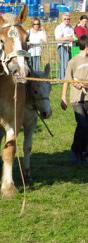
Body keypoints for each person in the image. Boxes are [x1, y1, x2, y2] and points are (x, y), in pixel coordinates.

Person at [61, 34, 88, 164]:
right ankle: (75, 151)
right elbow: (67, 80)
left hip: (87, 97)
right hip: (76, 99)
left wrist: (84, 83)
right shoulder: (73, 61)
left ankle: (83, 153)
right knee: (83, 124)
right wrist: (63, 98)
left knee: (86, 127)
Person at [55, 12, 75, 79]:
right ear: (62, 19)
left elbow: (73, 36)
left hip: (69, 47)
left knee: (67, 63)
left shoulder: (70, 27)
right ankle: (62, 78)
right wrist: (67, 38)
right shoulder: (59, 27)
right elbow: (57, 38)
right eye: (65, 19)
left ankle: (61, 78)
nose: (67, 20)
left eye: (68, 19)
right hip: (62, 47)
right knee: (64, 63)